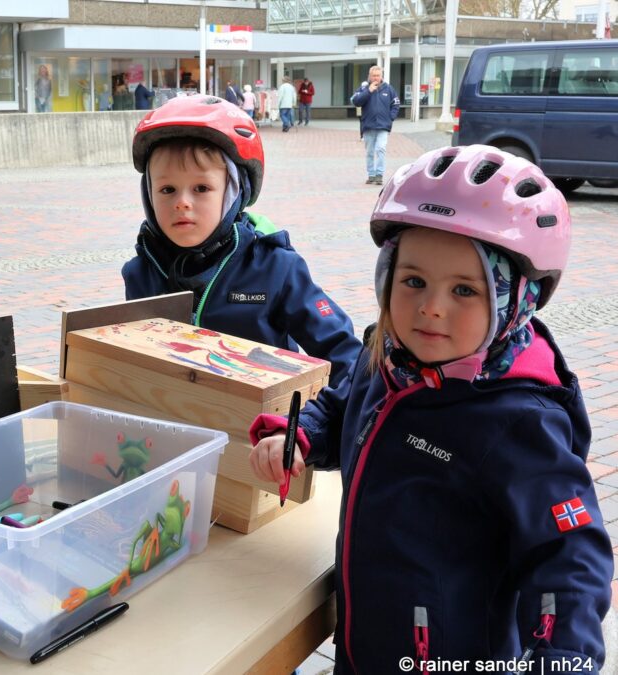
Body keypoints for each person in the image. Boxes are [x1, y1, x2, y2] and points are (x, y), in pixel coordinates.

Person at [249, 145, 611, 671]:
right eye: (413, 280)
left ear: (514, 302)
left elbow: (569, 554)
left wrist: (563, 655)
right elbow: (341, 406)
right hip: (362, 644)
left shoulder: (519, 421)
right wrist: (300, 434)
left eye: (465, 289)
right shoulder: (387, 357)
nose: (431, 307)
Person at [121, 95, 361, 388]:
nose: (182, 203)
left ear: (235, 192)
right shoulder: (141, 272)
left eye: (201, 188)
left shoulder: (275, 267)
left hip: (263, 426)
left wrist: (318, 421)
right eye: (167, 189)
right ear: (148, 195)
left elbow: (343, 354)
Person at [351, 65, 400, 185]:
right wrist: (368, 91)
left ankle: (379, 174)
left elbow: (396, 104)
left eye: (378, 75)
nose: (376, 78)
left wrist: (390, 118)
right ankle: (371, 175)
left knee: (381, 149)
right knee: (369, 152)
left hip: (383, 126)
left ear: (381, 76)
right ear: (369, 76)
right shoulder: (364, 89)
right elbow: (356, 101)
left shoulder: (388, 89)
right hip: (368, 125)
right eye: (374, 76)